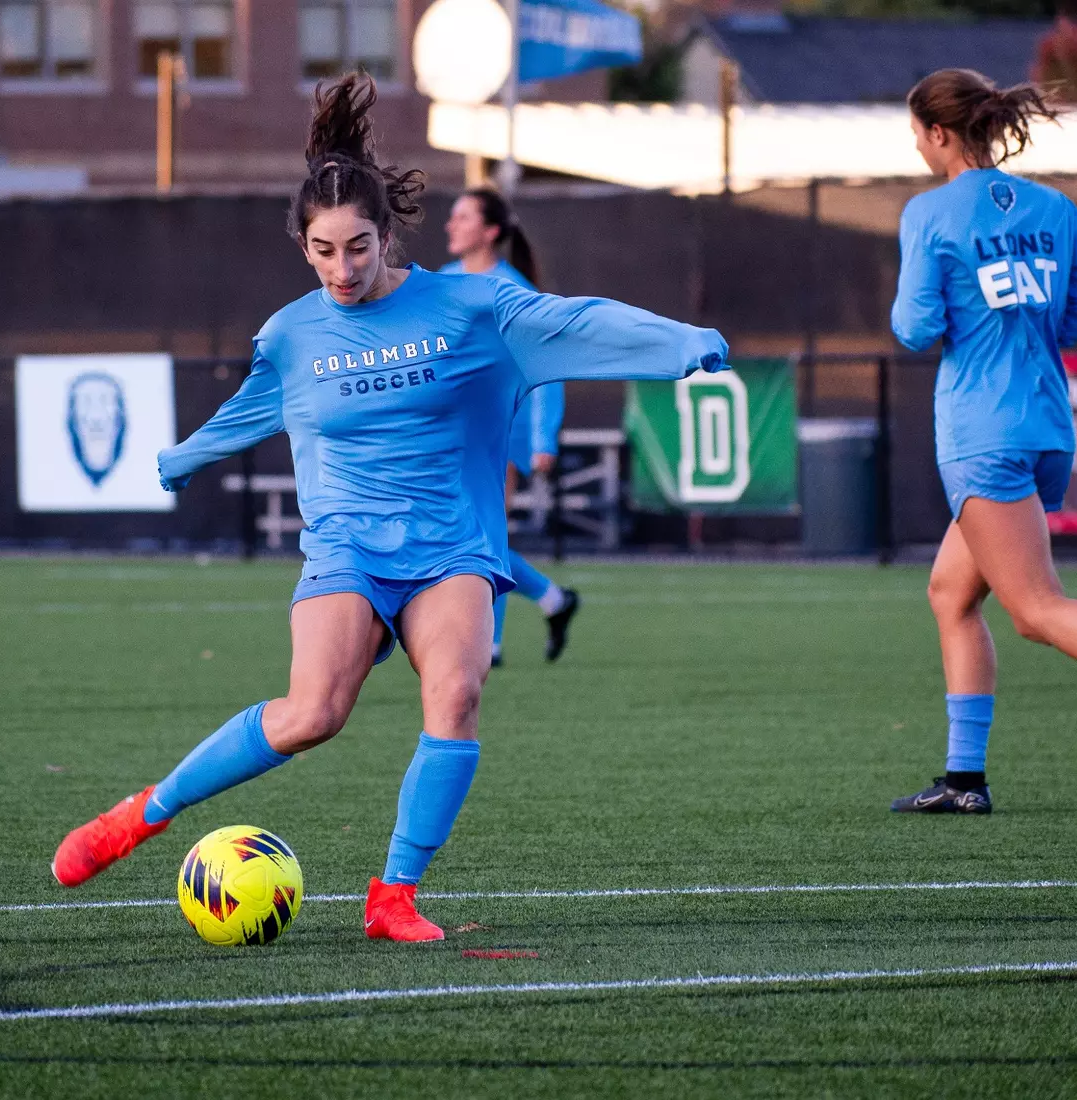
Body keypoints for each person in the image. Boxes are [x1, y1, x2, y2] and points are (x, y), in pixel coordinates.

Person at [50, 73, 730, 940]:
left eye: (359, 247)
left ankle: (394, 897)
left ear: (387, 235)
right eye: (324, 250)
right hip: (348, 549)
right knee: (312, 716)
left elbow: (576, 322)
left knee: (456, 695)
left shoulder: (473, 306)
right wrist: (187, 456)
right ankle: (143, 813)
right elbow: (257, 408)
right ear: (303, 244)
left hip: (452, 547)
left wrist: (678, 344)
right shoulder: (293, 333)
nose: (343, 267)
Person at [889, 68, 1077, 816]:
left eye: (917, 133)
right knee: (952, 593)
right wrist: (1023, 318)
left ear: (941, 133)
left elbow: (916, 327)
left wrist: (974, 318)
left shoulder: (930, 213)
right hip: (1046, 426)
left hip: (982, 431)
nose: (916, 146)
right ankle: (964, 781)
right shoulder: (1055, 206)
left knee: (1038, 606)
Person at [441, 188, 581, 667]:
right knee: (472, 537)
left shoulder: (512, 291)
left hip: (501, 432)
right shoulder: (439, 284)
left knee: (483, 536)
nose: (450, 225)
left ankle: (491, 643)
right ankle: (553, 601)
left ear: (490, 231)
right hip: (452, 434)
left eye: (462, 217)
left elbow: (546, 367)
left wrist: (543, 439)